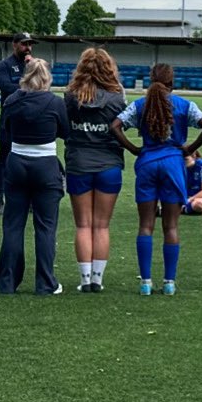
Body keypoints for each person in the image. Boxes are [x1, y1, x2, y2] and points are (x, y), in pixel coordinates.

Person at [111, 63, 202, 296]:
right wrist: (189, 149)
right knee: (171, 226)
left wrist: (134, 149)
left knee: (146, 225)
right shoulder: (184, 105)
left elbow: (115, 126)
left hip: (147, 163)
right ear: (172, 82)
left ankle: (145, 282)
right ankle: (169, 283)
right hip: (173, 165)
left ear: (150, 80)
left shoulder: (140, 105)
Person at [0, 59, 69, 296]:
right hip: (46, 165)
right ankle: (45, 283)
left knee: (13, 225)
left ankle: (7, 282)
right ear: (47, 77)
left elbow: (4, 130)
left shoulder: (12, 101)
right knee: (46, 227)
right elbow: (65, 132)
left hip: (16, 163)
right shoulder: (55, 103)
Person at [63, 48, 126, 292]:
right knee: (101, 225)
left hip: (78, 164)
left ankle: (85, 280)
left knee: (83, 225)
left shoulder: (70, 96)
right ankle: (97, 280)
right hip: (108, 165)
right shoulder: (117, 97)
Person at [0, 32, 35, 214]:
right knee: (4, 159)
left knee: (31, 160)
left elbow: (43, 85)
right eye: (24, 44)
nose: (28, 48)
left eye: (30, 44)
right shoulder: (4, 65)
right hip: (9, 121)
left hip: (30, 120)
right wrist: (29, 85)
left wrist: (31, 72)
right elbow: (6, 88)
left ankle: (30, 199)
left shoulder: (32, 65)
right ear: (14, 45)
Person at [181, 150, 202, 215]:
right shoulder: (179, 166)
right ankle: (184, 209)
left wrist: (189, 200)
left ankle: (182, 209)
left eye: (185, 159)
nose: (183, 162)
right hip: (182, 198)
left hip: (199, 199)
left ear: (194, 157)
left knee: (200, 204)